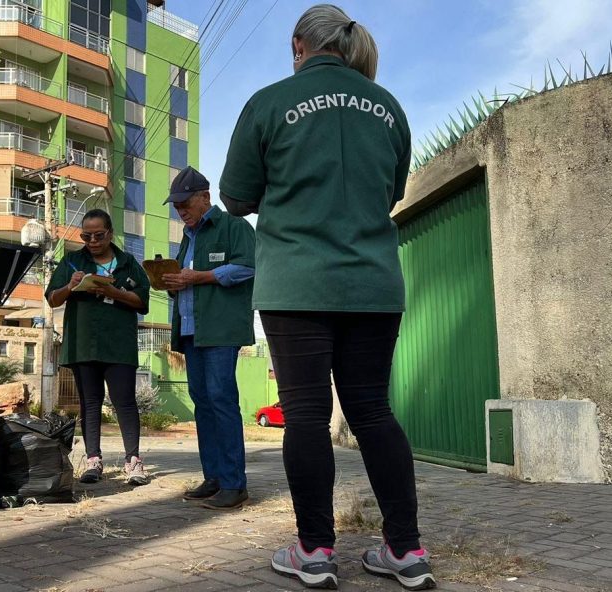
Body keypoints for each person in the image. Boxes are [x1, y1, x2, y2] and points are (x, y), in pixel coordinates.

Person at [219, 4, 435, 590]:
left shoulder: (268, 102)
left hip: (297, 282)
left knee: (308, 415)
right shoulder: (387, 107)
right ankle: (407, 551)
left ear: (298, 45)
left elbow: (236, 198)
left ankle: (314, 550)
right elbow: (388, 194)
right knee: (372, 411)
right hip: (372, 282)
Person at [160, 166, 256, 510]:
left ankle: (234, 483)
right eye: (176, 206)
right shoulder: (187, 238)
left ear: (205, 197)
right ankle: (214, 477)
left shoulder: (234, 227)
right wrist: (174, 283)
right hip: (189, 332)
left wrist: (200, 276)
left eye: (186, 203)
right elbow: (189, 283)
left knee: (221, 400)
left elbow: (248, 267)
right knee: (203, 404)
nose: (181, 210)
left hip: (219, 330)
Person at [45, 209, 151, 486]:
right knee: (89, 402)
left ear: (110, 233)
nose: (92, 241)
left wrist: (114, 293)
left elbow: (142, 301)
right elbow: (53, 299)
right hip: (84, 343)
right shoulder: (72, 261)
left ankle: (134, 462)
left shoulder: (128, 263)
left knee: (124, 402)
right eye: (86, 235)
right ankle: (93, 460)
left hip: (119, 344)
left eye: (98, 235)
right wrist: (71, 286)